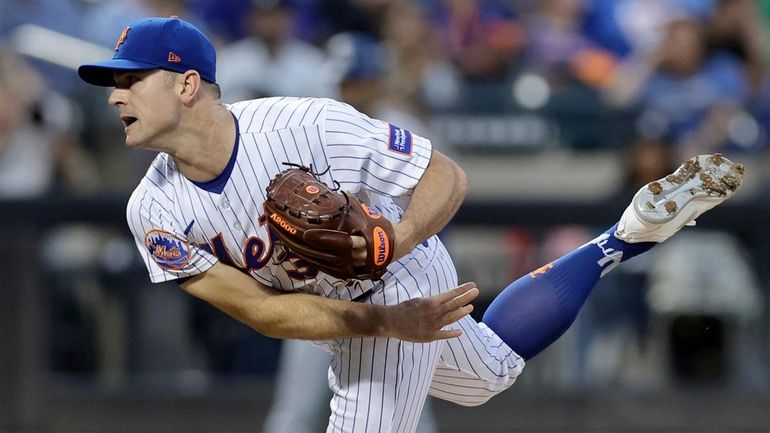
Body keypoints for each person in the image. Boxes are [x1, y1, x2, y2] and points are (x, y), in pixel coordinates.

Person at [77, 16, 744, 433]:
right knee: (487, 376)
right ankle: (622, 237)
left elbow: (447, 176)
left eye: (130, 80)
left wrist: (394, 243)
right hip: (344, 314)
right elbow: (259, 310)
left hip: (395, 275)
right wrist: (381, 326)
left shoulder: (305, 125)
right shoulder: (154, 210)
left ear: (186, 84)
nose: (114, 96)